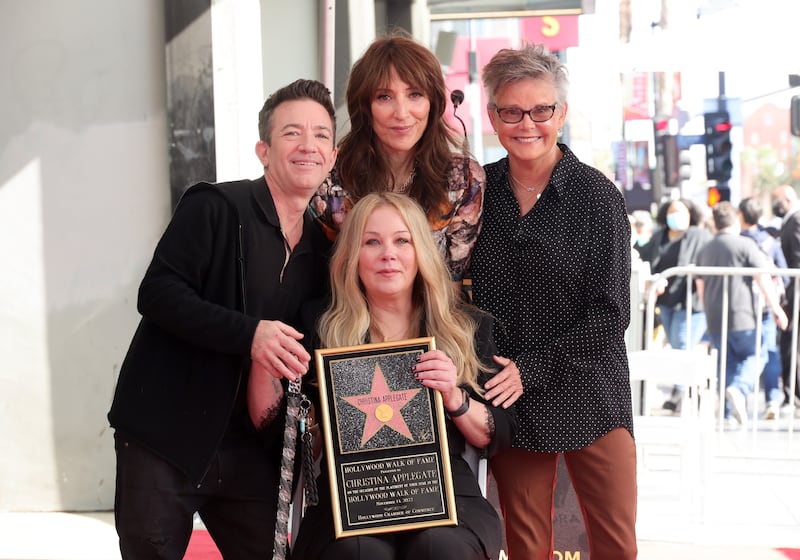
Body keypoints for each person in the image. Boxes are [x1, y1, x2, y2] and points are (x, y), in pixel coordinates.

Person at [107, 79, 338, 559]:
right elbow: (158, 294)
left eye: (321, 135)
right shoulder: (215, 206)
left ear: (333, 156)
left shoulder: (325, 249)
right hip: (165, 432)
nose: (308, 146)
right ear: (264, 150)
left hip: (251, 448)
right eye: (292, 133)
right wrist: (250, 335)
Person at [468, 43, 637, 560]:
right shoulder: (474, 193)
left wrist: (532, 368)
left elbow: (611, 315)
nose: (527, 124)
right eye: (512, 111)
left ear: (561, 113)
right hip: (508, 396)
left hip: (592, 392)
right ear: (492, 115)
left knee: (615, 546)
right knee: (523, 548)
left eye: (541, 109)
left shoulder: (597, 197)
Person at [292, 192, 518, 560]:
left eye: (402, 240)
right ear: (352, 256)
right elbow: (301, 440)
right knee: (360, 552)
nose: (388, 254)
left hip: (446, 498)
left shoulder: (466, 328)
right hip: (347, 501)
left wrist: (454, 397)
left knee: (438, 548)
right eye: (372, 242)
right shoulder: (319, 327)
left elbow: (499, 434)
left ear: (421, 253)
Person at [312, 32, 485, 286]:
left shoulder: (463, 180)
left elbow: (452, 284)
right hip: (348, 319)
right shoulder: (329, 179)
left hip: (434, 319)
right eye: (384, 97)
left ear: (432, 103)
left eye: (415, 94)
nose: (402, 113)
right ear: (365, 107)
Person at [696, 201, 788, 426]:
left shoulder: (705, 248)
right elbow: (763, 277)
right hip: (742, 312)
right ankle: (740, 388)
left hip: (715, 314)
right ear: (735, 220)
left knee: (725, 363)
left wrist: (707, 309)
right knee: (758, 354)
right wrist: (776, 307)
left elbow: (700, 286)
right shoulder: (745, 245)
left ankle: (728, 414)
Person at [646, 198, 713, 411]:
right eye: (673, 211)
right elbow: (646, 258)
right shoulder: (659, 237)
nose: (677, 216)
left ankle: (683, 393)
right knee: (676, 346)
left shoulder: (700, 236)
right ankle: (684, 389)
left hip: (692, 304)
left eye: (682, 212)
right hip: (666, 302)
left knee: (683, 344)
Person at [739, 196, 787, 419]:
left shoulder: (736, 240)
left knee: (742, 355)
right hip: (767, 307)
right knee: (768, 352)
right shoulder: (771, 241)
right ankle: (771, 400)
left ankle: (737, 401)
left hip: (740, 307)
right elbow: (783, 275)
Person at [771, 184, 800, 413]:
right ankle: (791, 393)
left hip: (795, 294)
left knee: (793, 344)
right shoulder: (789, 221)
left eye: (776, 199)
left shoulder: (796, 220)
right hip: (790, 294)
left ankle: (794, 394)